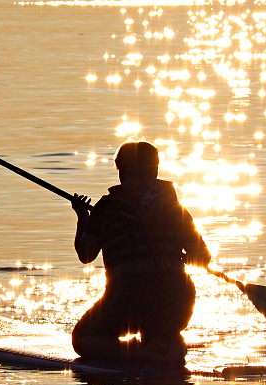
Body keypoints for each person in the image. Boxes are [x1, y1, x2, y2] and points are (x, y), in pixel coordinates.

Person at [71, 141, 212, 363]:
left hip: (127, 298)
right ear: (155, 170)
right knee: (160, 330)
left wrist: (83, 219)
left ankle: (139, 352)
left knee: (83, 339)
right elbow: (203, 256)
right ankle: (163, 343)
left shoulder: (106, 209)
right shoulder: (174, 208)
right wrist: (181, 257)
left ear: (121, 172)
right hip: (176, 300)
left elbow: (86, 254)